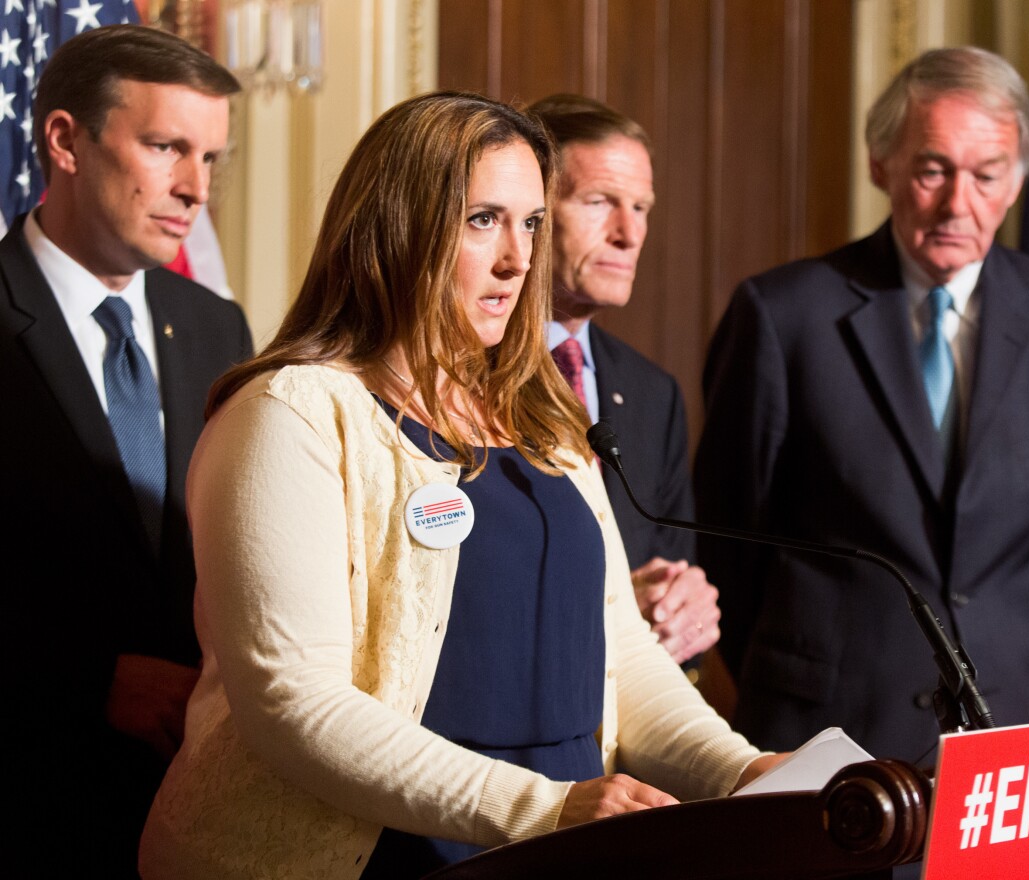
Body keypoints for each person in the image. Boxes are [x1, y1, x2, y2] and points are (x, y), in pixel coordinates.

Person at [139, 91, 780, 879]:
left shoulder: (543, 416)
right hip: (381, 858)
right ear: (397, 225)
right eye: (484, 220)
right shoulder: (292, 413)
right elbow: (292, 703)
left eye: (533, 223)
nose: (518, 259)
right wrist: (543, 808)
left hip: (561, 848)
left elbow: (622, 655)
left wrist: (745, 773)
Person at [695, 46, 1029, 764]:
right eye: (933, 170)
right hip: (830, 728)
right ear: (880, 165)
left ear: (1017, 182)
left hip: (1024, 723)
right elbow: (727, 538)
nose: (959, 204)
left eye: (987, 175)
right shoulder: (781, 315)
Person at [0, 24, 251, 877]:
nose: (194, 188)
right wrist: (86, 681)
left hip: (196, 807)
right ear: (66, 140)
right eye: (166, 147)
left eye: (211, 158)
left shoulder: (219, 326)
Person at [528, 93, 720, 666]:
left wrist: (685, 609)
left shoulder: (652, 393)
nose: (629, 233)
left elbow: (668, 566)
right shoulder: (458, 371)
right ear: (532, 210)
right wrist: (610, 611)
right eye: (600, 202)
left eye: (641, 208)